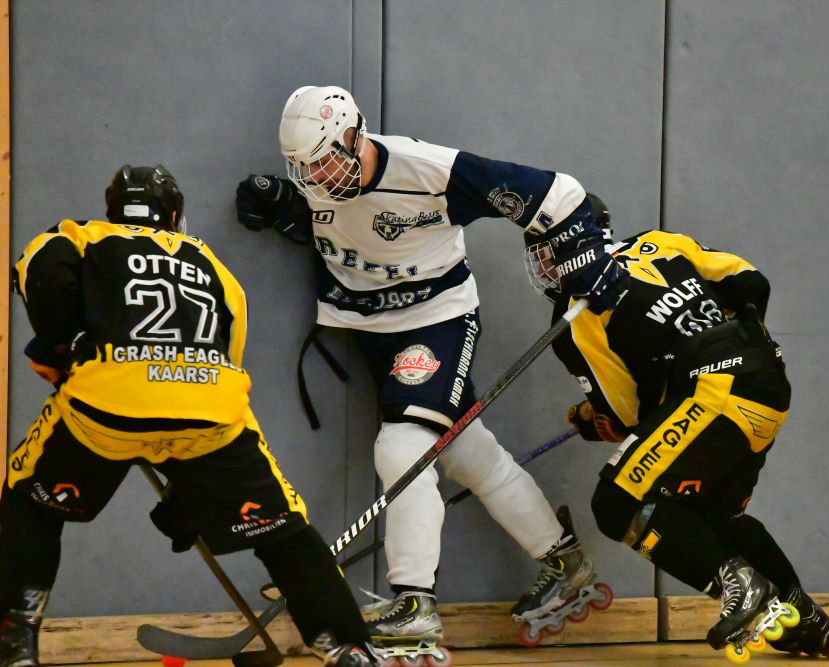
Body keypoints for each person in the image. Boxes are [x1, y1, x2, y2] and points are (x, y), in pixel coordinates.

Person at [234, 85, 629, 657]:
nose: (317, 176)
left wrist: (585, 258)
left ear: (354, 133)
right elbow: (327, 224)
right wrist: (279, 208)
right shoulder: (314, 184)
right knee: (470, 453)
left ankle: (414, 602)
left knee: (403, 447)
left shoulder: (430, 170)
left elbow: (558, 192)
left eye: (324, 158)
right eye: (302, 168)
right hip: (369, 328)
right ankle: (562, 560)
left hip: (436, 320)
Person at [0, 165, 380, 667]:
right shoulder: (210, 261)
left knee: (30, 503)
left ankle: (14, 637)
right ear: (175, 214)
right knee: (285, 528)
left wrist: (64, 343)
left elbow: (38, 269)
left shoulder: (83, 235)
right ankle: (347, 645)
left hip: (105, 411)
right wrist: (199, 488)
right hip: (210, 415)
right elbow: (231, 346)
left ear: (113, 208)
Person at [530, 194, 829, 662]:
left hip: (712, 393)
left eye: (548, 251)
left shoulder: (575, 315)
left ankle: (741, 587)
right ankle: (802, 616)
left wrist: (590, 421)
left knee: (617, 502)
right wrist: (718, 341)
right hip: (767, 377)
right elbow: (751, 280)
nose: (546, 266)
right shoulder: (657, 243)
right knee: (711, 511)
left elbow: (626, 419)